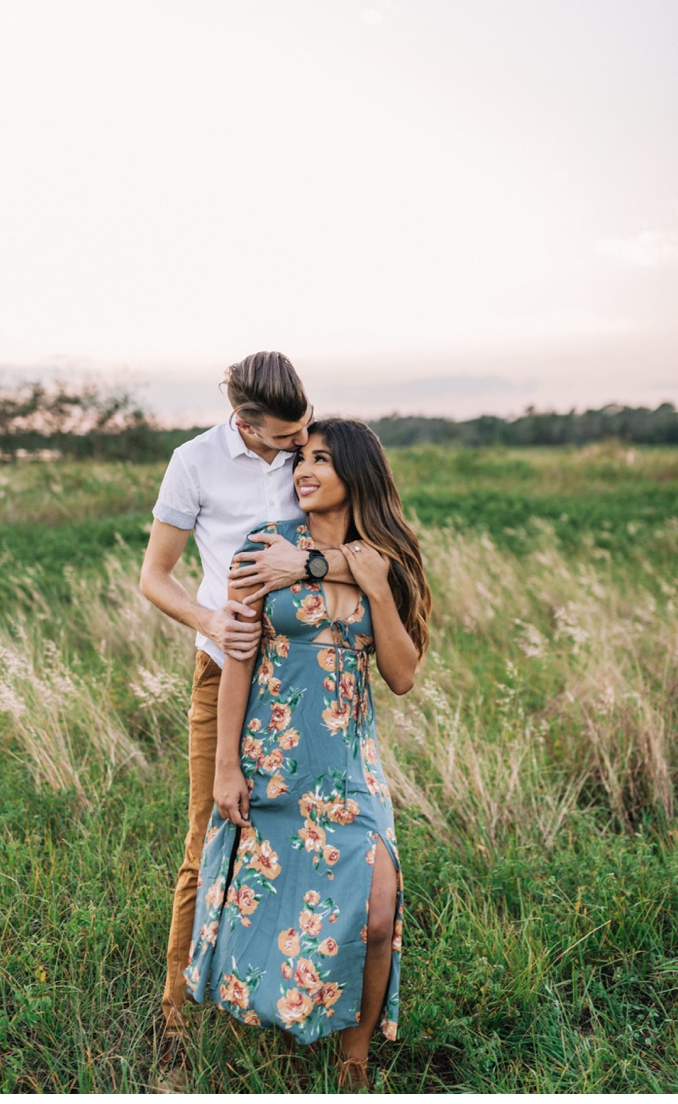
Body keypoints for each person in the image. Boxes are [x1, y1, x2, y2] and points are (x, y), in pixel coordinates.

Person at [183, 418, 431, 1089]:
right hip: (273, 757)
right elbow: (237, 661)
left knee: (378, 909)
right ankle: (256, 1030)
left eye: (321, 458)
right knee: (264, 897)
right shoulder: (265, 547)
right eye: (301, 459)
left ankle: (354, 1060)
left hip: (350, 765)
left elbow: (403, 675)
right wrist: (226, 765)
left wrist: (373, 583)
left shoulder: (383, 556)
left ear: (357, 471)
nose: (304, 470)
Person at [139, 353, 358, 1080]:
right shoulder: (194, 462)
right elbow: (154, 575)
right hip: (221, 668)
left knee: (301, 841)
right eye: (283, 436)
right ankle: (174, 1017)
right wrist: (212, 618)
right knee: (209, 835)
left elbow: (364, 542)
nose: (297, 447)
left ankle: (282, 998)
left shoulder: (310, 453)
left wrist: (316, 571)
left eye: (304, 431)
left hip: (300, 671)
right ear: (244, 422)